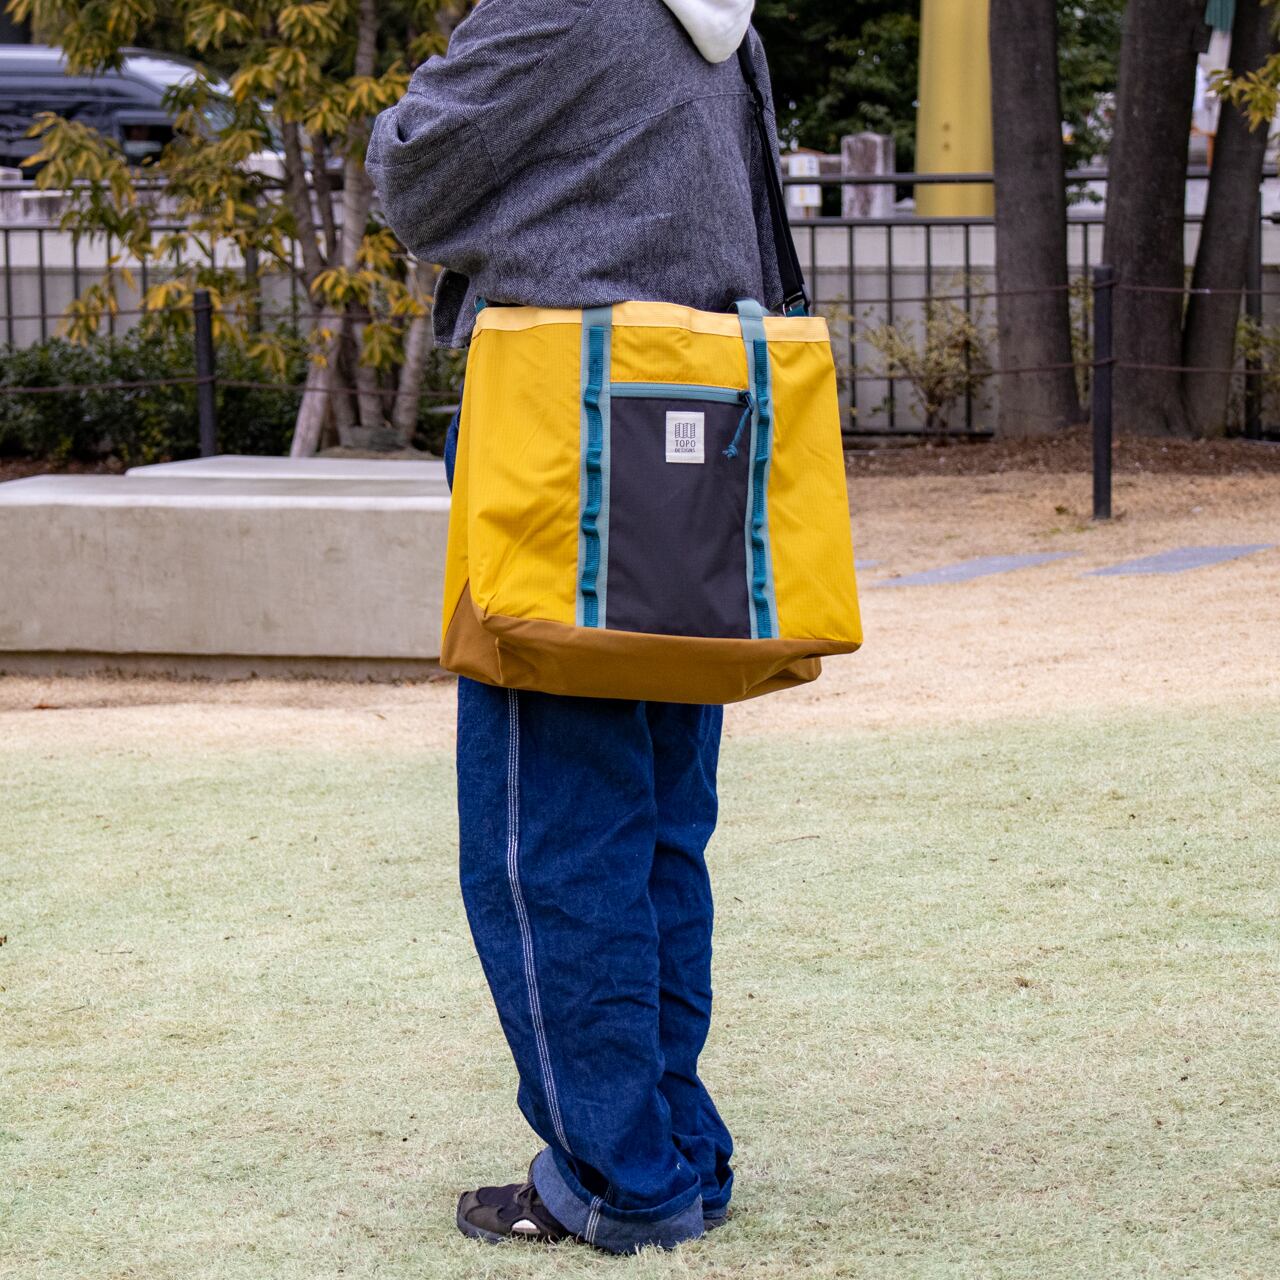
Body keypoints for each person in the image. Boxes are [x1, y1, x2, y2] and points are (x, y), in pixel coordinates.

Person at [367, 0, 788, 1254]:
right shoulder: (723, 18)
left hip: (565, 440)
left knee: (545, 833)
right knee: (659, 821)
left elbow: (411, 175)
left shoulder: (561, 2)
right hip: (698, 436)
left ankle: (614, 1174)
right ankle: (676, 1147)